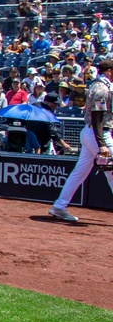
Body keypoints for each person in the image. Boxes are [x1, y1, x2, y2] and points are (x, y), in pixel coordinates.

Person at [49, 59, 113, 222]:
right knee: (111, 171)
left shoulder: (100, 85)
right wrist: (102, 144)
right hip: (97, 135)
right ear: (109, 71)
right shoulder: (101, 88)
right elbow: (97, 116)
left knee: (80, 173)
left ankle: (59, 206)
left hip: (91, 134)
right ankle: (59, 206)